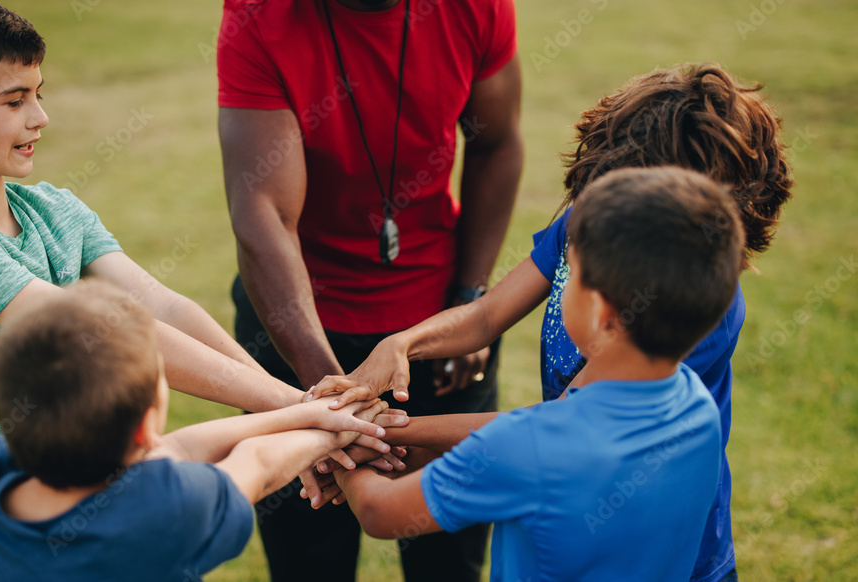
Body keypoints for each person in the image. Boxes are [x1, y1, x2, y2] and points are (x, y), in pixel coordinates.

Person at [0, 2, 390, 579]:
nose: (40, 117)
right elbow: (109, 336)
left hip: (94, 507)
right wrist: (305, 411)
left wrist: (298, 409)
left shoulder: (55, 210)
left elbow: (163, 306)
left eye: (39, 93)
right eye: (14, 100)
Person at [310, 62, 793, 582]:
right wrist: (401, 345)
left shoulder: (678, 307)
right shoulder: (606, 228)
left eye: (574, 270)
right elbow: (488, 313)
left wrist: (360, 437)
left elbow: (554, 430)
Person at [216, 0, 523, 578]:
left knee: (450, 560)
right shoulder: (260, 13)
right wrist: (332, 398)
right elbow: (262, 212)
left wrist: (469, 300)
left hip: (439, 328)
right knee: (309, 559)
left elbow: (496, 142)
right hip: (297, 332)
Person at [333, 166, 744, 582]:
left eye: (570, 272)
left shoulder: (526, 447)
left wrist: (343, 452)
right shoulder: (699, 408)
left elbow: (379, 511)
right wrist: (392, 431)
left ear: (601, 313)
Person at [0, 280, 401, 581]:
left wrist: (310, 413)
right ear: (143, 426)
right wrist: (339, 431)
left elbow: (172, 449)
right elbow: (260, 463)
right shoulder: (170, 507)